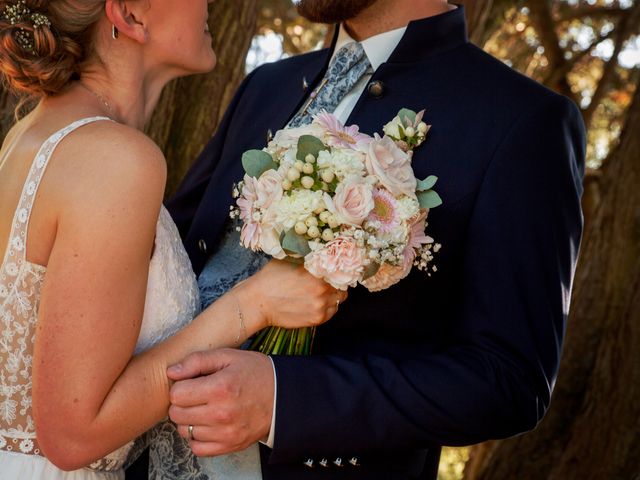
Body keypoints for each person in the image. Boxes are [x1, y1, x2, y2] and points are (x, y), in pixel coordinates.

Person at [165, 1, 587, 479]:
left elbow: (508, 380)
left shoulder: (522, 120)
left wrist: (286, 401)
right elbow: (173, 256)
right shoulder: (266, 84)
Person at [0, 0, 346, 478]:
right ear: (130, 15)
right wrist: (254, 304)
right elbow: (73, 434)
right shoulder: (115, 159)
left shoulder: (34, 135)